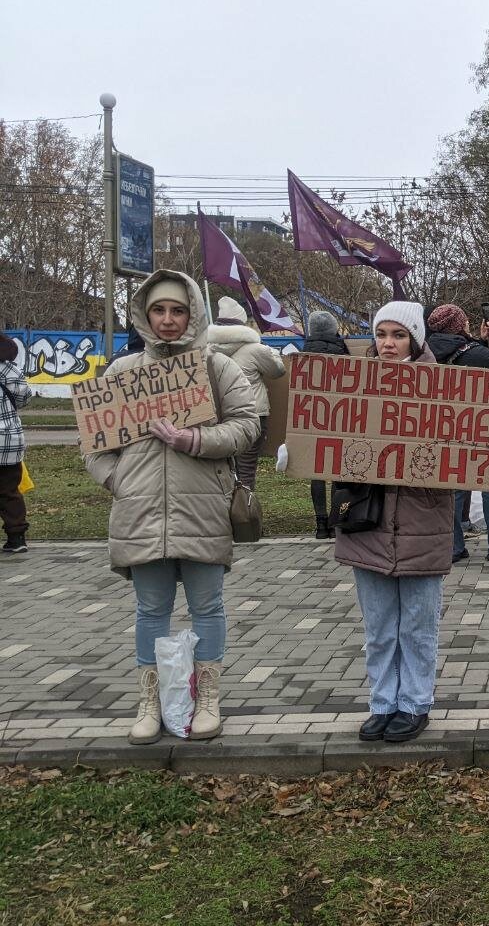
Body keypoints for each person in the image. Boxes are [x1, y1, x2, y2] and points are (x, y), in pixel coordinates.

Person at [84, 271, 258, 744]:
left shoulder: (217, 368)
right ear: (144, 313)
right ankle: (150, 701)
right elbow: (95, 448)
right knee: (150, 611)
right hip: (140, 513)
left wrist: (193, 439)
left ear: (192, 313)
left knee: (208, 607)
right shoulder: (123, 372)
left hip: (202, 509)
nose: (166, 320)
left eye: (177, 310)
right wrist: (119, 482)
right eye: (158, 310)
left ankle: (207, 698)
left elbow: (247, 427)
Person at [334, 301, 454, 743]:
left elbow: (464, 440)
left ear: (415, 339)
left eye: (398, 335)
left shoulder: (445, 388)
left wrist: (484, 457)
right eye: (381, 334)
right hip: (369, 525)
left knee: (418, 627)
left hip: (423, 524)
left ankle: (415, 704)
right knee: (380, 628)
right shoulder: (351, 387)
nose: (387, 343)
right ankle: (383, 703)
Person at [426, 303, 489, 564]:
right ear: (457, 325)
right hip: (478, 427)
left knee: (455, 485)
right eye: (464, 321)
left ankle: (453, 546)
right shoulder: (468, 353)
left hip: (445, 428)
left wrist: (479, 341)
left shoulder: (428, 352)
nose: (469, 323)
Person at [206, 296, 285, 490]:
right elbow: (278, 371)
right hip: (252, 415)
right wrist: (273, 354)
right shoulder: (255, 350)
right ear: (242, 324)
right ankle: (245, 513)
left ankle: (224, 511)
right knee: (246, 469)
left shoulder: (206, 351)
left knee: (222, 468)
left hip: (216, 416)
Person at [301, 310, 352, 539]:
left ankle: (320, 524)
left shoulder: (302, 353)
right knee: (338, 469)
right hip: (340, 417)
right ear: (334, 328)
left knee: (317, 471)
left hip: (312, 418)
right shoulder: (344, 352)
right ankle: (335, 520)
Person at [0, 330, 32, 554]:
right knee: (10, 491)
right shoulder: (10, 370)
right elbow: (25, 396)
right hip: (9, 442)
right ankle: (16, 537)